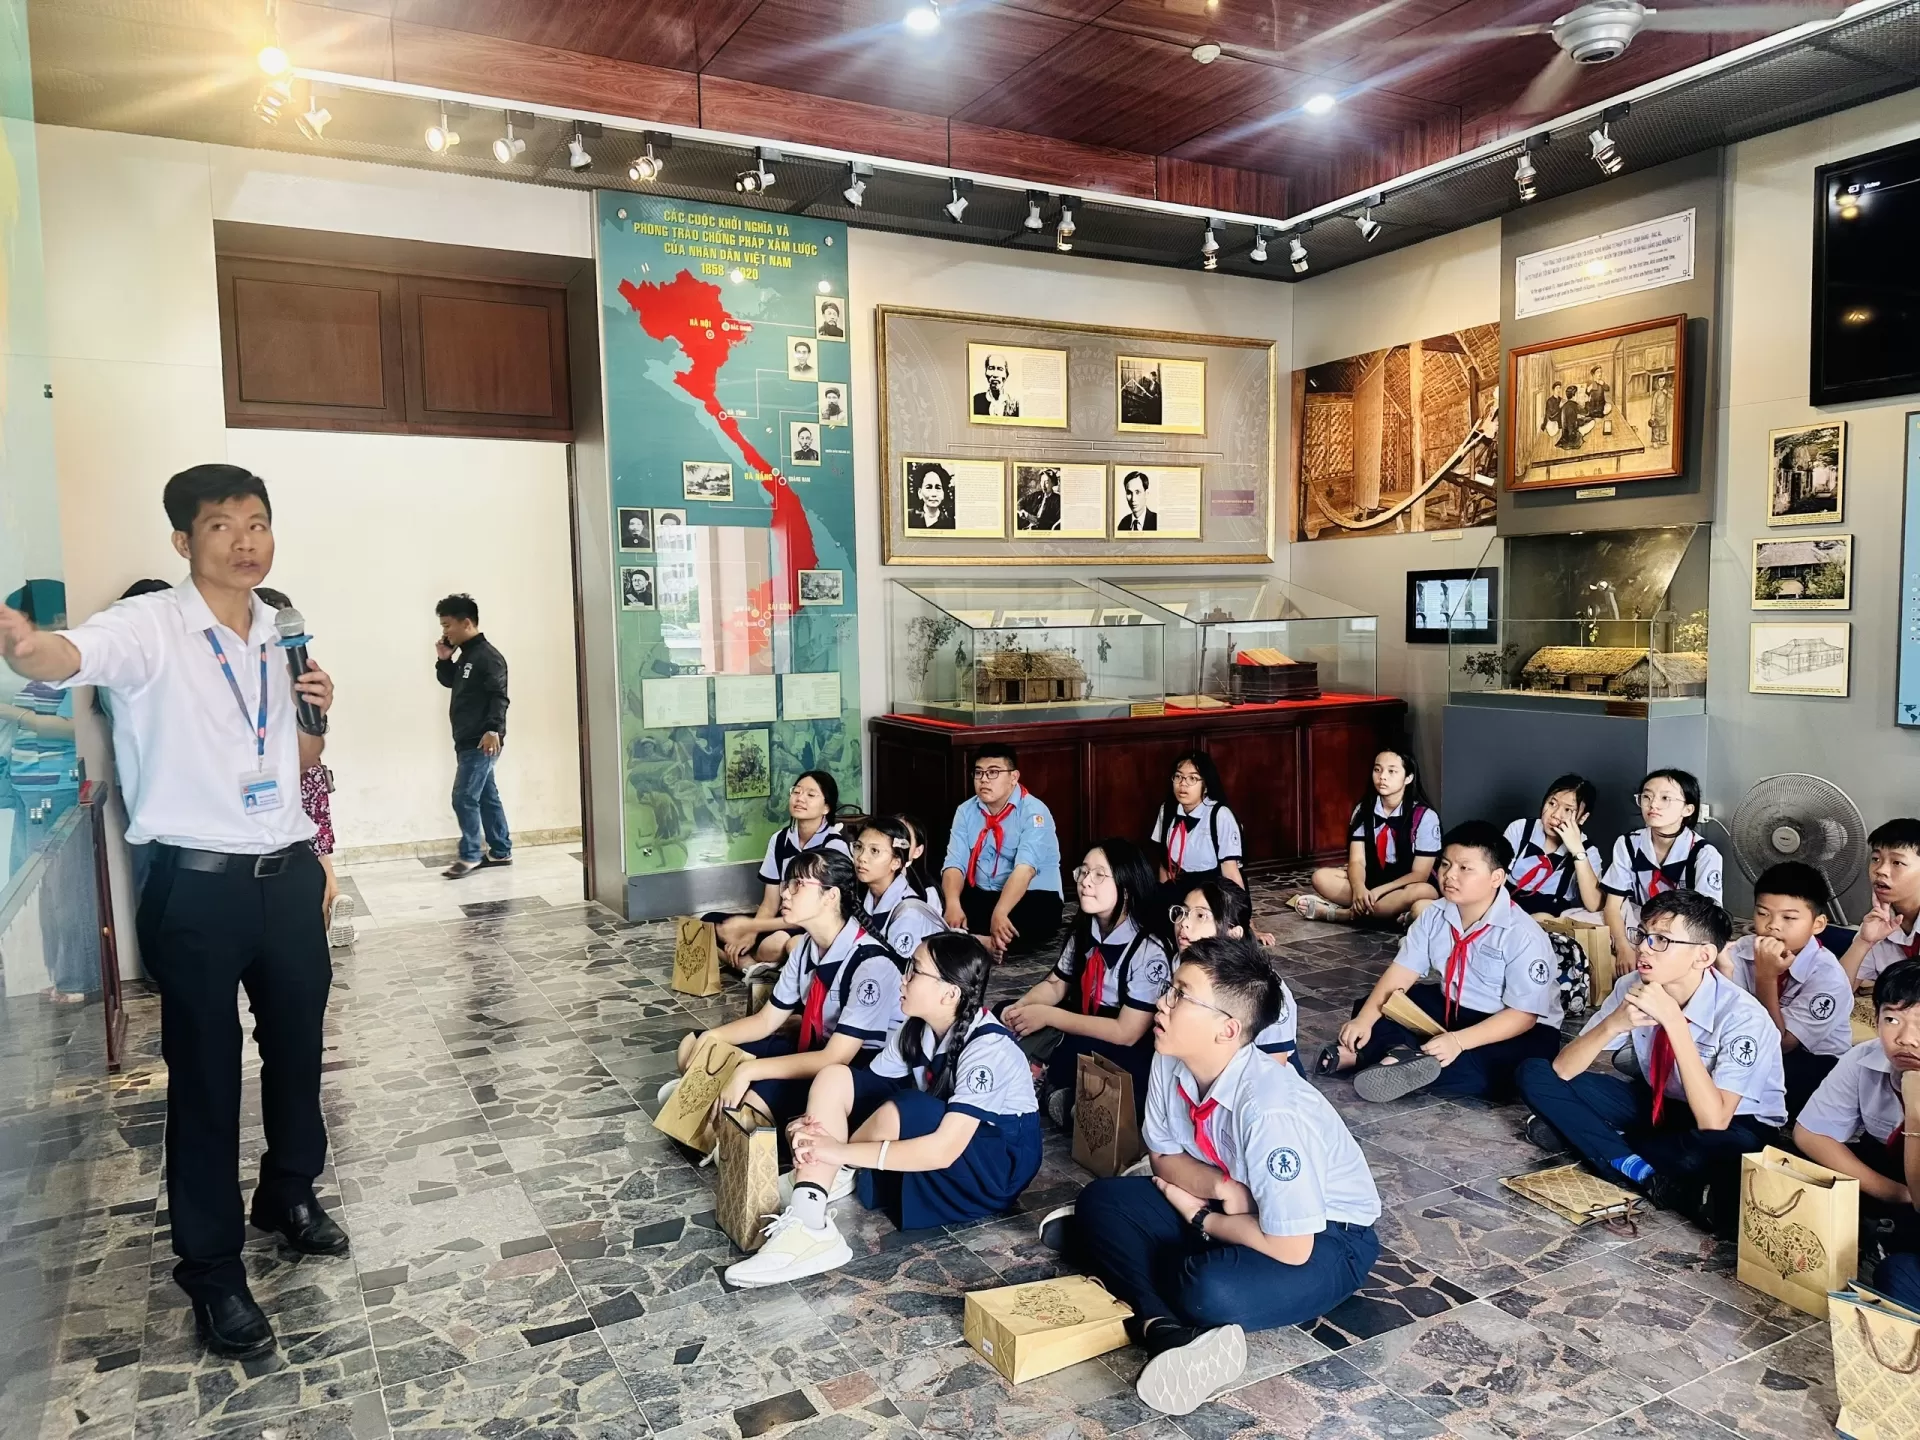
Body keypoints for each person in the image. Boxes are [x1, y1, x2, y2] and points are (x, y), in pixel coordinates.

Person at [0, 463, 343, 1360]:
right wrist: (26, 648)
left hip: (287, 874)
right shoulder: (148, 626)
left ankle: (289, 1193)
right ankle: (213, 1271)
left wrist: (318, 713)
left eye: (258, 521)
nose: (246, 540)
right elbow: (70, 656)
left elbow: (301, 759)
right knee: (205, 1076)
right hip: (196, 887)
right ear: (184, 540)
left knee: (300, 1052)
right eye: (222, 524)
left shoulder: (282, 628)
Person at [1051, 937, 1381, 1417]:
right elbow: (1164, 1159)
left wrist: (1202, 1218)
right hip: (1233, 1204)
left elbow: (1292, 1247)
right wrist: (1223, 1190)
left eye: (1181, 995)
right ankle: (1164, 1328)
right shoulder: (1170, 1058)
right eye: (1170, 988)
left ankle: (1131, 1266)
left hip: (1327, 1238)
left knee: (1206, 1290)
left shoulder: (1269, 1109)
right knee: (1101, 1201)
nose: (1162, 1003)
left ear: (1227, 1030)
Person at [726, 933, 1039, 1285]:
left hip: (990, 1171)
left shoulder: (989, 1048)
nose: (902, 979)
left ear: (949, 993)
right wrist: (806, 1125)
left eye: (914, 970)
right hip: (944, 1142)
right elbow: (860, 1093)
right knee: (834, 1077)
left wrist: (835, 1149)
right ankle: (809, 1213)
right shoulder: (915, 1028)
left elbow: (944, 1149)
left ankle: (826, 1176)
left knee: (905, 1107)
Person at [1517, 890, 1785, 1232]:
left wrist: (1674, 1023)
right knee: (1533, 1072)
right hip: (1661, 1104)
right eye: (1643, 935)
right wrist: (1613, 1024)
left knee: (1701, 1154)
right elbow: (1562, 1070)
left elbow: (1714, 1120)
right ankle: (1645, 1173)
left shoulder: (1743, 1016)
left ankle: (1593, 1139)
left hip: (1733, 1123)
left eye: (1662, 940)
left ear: (1703, 956)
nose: (1644, 947)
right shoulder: (1633, 985)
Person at [661, 846, 903, 1133]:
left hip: (854, 1071)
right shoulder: (806, 947)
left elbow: (835, 1058)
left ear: (831, 895)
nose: (785, 894)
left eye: (798, 885)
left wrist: (748, 1070)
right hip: (814, 1047)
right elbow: (766, 1021)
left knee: (751, 1104)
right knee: (692, 1045)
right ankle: (714, 1118)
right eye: (787, 884)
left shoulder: (871, 965)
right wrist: (713, 1037)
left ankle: (724, 1123)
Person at [1329, 821, 1563, 1101]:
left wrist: (1458, 1041)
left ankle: (1379, 1057)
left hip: (1513, 1025)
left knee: (1499, 1071)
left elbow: (1523, 1016)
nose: (1449, 875)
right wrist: (1364, 1020)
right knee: (1375, 1005)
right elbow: (1401, 973)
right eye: (1445, 864)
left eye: (1465, 868)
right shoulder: (1434, 914)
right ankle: (1396, 1057)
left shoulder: (1523, 934)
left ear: (1496, 877)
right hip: (1453, 1007)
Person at [1003, 838, 1171, 1127]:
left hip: (1121, 1037)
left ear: (1127, 888)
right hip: (1082, 1017)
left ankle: (1061, 1092)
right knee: (1005, 1013)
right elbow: (1056, 985)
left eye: (1099, 875)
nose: (1085, 881)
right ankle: (1061, 1090)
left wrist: (1048, 1016)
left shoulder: (1148, 950)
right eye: (1083, 871)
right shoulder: (1084, 929)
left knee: (1091, 1055)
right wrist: (1022, 1007)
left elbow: (1127, 1032)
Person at [1792, 957, 1920, 1308]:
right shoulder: (1865, 1058)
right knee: (1805, 1172)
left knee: (1898, 1275)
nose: (1906, 1039)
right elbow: (1810, 1134)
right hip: (1896, 1177)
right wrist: (1894, 1193)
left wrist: (1916, 1113)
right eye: (1891, 1019)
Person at [255, 586, 353, 950]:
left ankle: (320, 922)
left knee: (305, 854)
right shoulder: (282, 669)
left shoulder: (299, 669)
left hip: (291, 775)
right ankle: (332, 900)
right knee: (317, 851)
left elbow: (311, 730)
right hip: (300, 777)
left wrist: (318, 714)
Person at [1724, 860, 1851, 1119]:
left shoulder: (1829, 978)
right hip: (1748, 1046)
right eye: (1763, 913)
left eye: (1789, 918)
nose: (1773, 925)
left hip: (1813, 1061)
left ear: (1818, 924)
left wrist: (1766, 977)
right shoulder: (1740, 951)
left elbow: (1781, 1045)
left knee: (1756, 1074)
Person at [709, 770, 849, 970]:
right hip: (781, 919)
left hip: (810, 924)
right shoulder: (780, 839)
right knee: (710, 924)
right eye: (796, 792)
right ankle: (754, 966)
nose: (800, 798)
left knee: (776, 943)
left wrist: (752, 927)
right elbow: (770, 903)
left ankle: (748, 964)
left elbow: (825, 913)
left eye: (811, 795)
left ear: (826, 807)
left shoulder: (833, 845)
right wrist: (751, 933)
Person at [940, 744, 1063, 956]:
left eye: (993, 772)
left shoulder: (1034, 812)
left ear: (1014, 777)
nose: (984, 780)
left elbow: (1025, 870)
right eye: (979, 773)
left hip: (1031, 896)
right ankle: (983, 942)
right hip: (984, 893)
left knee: (1028, 921)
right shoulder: (966, 811)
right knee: (938, 906)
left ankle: (971, 940)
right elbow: (955, 863)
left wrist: (1001, 911)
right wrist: (952, 904)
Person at [1294, 745, 1439, 925]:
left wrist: (1379, 892)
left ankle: (1342, 915)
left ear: (1408, 778)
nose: (1382, 777)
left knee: (1424, 891)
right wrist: (1359, 889)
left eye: (1392, 771)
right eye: (1377, 770)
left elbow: (1420, 874)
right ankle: (1385, 913)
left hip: (1405, 885)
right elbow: (1357, 861)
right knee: (1320, 877)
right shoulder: (1363, 810)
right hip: (1373, 880)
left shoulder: (1425, 817)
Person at [1173, 878, 1303, 1076]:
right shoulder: (1179, 964)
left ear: (1234, 933)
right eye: (1183, 912)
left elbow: (1272, 1070)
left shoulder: (1261, 988)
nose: (1184, 923)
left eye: (1201, 916)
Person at [1599, 768, 1722, 976]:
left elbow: (1705, 919)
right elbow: (1612, 905)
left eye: (1665, 798)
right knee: (1579, 921)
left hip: (1680, 929)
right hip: (1638, 921)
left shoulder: (1704, 854)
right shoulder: (1628, 844)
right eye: (1647, 797)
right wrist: (1622, 947)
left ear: (1688, 809)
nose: (1653, 805)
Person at [433, 594, 511, 879]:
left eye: (447, 625)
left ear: (466, 623)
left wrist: (493, 730)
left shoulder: (489, 657)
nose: (445, 632)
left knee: (464, 797)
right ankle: (501, 850)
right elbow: (451, 682)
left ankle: (470, 855)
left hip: (481, 740)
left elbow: (499, 696)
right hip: (467, 739)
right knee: (487, 796)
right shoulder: (467, 655)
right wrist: (444, 660)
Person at [1502, 774, 1604, 917]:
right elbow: (1495, 879)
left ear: (1583, 818)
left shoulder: (1588, 850)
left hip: (1549, 921)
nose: (1555, 815)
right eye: (1552, 804)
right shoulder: (1521, 829)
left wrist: (1577, 851)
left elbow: (1595, 905)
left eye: (1568, 810)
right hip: (1507, 910)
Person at [851, 814, 949, 961]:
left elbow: (896, 969)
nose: (861, 858)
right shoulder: (863, 894)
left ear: (896, 862)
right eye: (858, 847)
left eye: (875, 851)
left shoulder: (908, 912)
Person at [1840, 818, 1920, 992]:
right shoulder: (1877, 923)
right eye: (1876, 859)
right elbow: (1835, 993)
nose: (1880, 870)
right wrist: (1863, 942)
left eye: (1897, 862)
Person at [1151, 750, 1244, 891]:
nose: (1183, 784)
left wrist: (1237, 903)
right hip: (1180, 885)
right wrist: (1164, 895)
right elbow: (1164, 864)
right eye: (1178, 776)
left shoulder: (1220, 815)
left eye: (1192, 778)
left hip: (1213, 889)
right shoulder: (1167, 810)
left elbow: (1230, 872)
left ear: (1205, 786)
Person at [905, 463, 957, 531]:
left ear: (943, 493)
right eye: (928, 487)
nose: (934, 494)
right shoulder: (908, 517)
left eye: (938, 488)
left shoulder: (950, 524)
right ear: (920, 493)